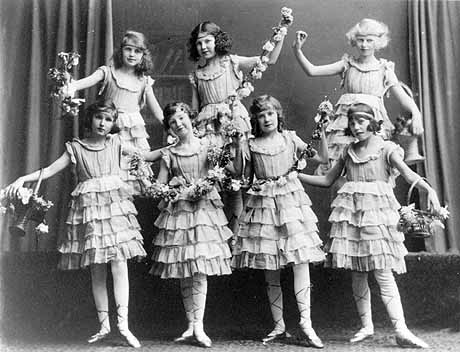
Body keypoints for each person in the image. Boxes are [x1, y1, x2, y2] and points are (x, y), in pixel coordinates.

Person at [298, 103, 441, 349]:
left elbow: (407, 174)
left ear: (373, 122)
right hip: (353, 215)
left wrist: (429, 191)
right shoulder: (347, 151)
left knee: (383, 272)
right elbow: (326, 179)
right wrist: (296, 176)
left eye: (361, 121)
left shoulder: (386, 149)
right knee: (358, 270)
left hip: (378, 217)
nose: (356, 126)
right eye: (352, 122)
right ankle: (366, 325)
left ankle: (401, 329)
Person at [5, 101, 145, 347]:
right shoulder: (75, 148)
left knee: (119, 263)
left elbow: (145, 156)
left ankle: (123, 324)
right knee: (97, 266)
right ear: (90, 119)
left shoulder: (116, 143)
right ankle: (104, 326)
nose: (103, 124)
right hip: (89, 211)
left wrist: (172, 148)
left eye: (108, 120)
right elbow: (48, 171)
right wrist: (22, 178)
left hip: (114, 209)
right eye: (99, 118)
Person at [231, 95, 327, 348]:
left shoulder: (290, 138)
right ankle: (279, 325)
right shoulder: (251, 144)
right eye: (261, 115)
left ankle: (306, 323)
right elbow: (244, 177)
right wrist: (238, 145)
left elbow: (322, 158)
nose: (266, 119)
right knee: (270, 264)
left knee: (300, 260)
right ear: (256, 120)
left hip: (291, 203)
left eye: (270, 113)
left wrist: (323, 130)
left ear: (278, 115)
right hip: (263, 205)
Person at [142, 102, 237, 348]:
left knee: (200, 268)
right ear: (169, 128)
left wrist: (220, 166)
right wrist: (161, 190)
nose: (179, 124)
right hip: (180, 214)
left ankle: (200, 325)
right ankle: (190, 324)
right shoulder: (169, 154)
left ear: (191, 119)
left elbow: (228, 171)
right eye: (173, 122)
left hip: (204, 212)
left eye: (182, 118)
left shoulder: (209, 146)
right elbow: (161, 186)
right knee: (185, 268)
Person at [188, 21, 288, 234]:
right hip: (208, 129)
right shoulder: (197, 72)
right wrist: (194, 130)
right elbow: (195, 108)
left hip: (233, 125)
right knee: (212, 180)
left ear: (218, 41)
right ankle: (216, 237)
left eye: (208, 41)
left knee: (237, 180)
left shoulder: (232, 62)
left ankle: (238, 238)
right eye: (199, 43)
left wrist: (279, 35)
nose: (204, 47)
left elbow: (268, 59)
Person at [292, 18, 424, 179]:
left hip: (371, 123)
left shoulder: (384, 69)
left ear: (378, 42)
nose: (364, 44)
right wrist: (297, 50)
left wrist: (416, 114)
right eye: (360, 40)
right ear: (354, 41)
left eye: (369, 40)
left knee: (373, 165)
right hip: (345, 123)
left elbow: (404, 98)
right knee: (341, 171)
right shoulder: (347, 64)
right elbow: (312, 71)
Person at [66, 30, 164, 195]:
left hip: (132, 136)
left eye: (137, 51)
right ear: (121, 51)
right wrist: (71, 87)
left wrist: (176, 128)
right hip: (110, 130)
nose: (132, 54)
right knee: (109, 179)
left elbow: (158, 113)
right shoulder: (108, 72)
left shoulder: (144, 81)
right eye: (128, 49)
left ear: (143, 55)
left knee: (132, 180)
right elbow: (83, 83)